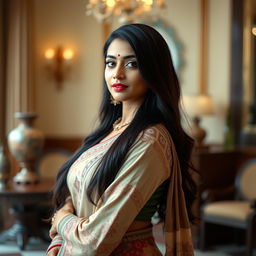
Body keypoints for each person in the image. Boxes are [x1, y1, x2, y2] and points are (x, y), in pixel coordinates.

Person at [46, 23, 197, 256]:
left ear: (153, 71)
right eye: (110, 63)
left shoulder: (150, 142)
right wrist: (62, 229)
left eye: (131, 64)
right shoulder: (110, 131)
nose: (117, 73)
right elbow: (74, 193)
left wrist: (62, 220)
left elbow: (95, 241)